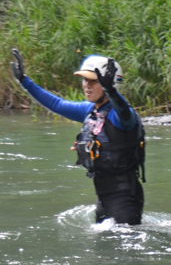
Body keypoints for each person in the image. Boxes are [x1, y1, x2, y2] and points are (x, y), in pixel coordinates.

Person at [10, 49, 146, 225]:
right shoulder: (90, 110)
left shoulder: (122, 117)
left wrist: (112, 93)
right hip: (103, 199)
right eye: (84, 80)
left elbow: (125, 112)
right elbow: (56, 104)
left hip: (125, 200)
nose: (87, 85)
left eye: (94, 81)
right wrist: (24, 81)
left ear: (109, 84)